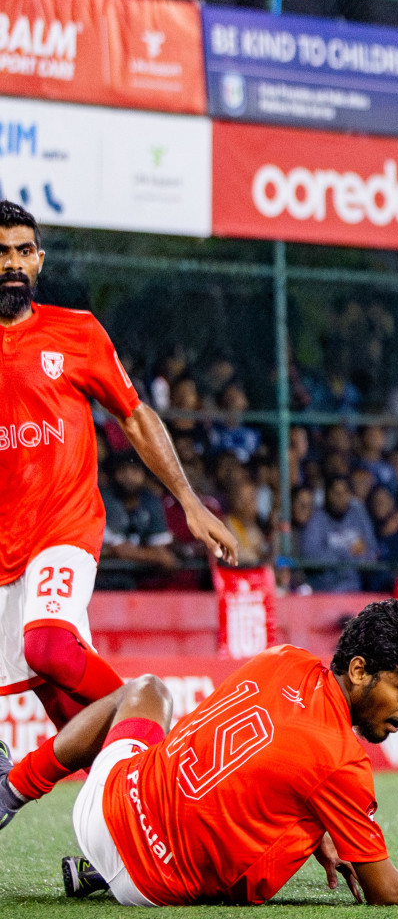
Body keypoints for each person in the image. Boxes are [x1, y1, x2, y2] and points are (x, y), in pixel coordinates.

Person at [0, 599, 398, 906]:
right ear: (358, 670)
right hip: (155, 890)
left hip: (103, 815)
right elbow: (387, 890)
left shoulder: (283, 658)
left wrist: (317, 821)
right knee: (293, 826)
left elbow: (221, 749)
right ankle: (105, 875)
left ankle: (14, 789)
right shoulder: (342, 762)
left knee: (147, 690)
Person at [0, 201, 237, 743]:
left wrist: (190, 502)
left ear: (39, 261)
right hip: (3, 542)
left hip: (63, 528)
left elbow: (135, 416)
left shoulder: (76, 332)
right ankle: (126, 788)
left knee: (47, 648)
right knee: (53, 690)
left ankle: (153, 726)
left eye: (23, 251)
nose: (13, 262)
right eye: (1, 253)